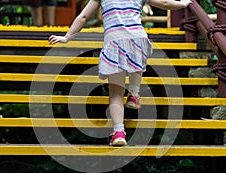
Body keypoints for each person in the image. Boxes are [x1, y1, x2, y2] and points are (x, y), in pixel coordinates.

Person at [48, 0, 192, 146]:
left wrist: (67, 37)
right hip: (137, 38)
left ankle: (119, 132)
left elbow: (83, 17)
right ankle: (134, 94)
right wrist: (183, 4)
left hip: (115, 40)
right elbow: (166, 3)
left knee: (116, 94)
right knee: (137, 59)